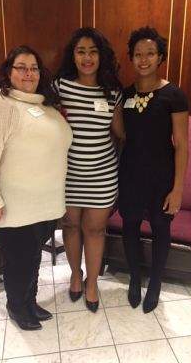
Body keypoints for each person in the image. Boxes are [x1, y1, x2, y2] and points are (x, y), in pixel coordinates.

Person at [0, 45, 72, 330]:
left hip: (46, 205)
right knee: (20, 262)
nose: (28, 73)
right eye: (21, 67)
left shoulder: (44, 106)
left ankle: (30, 301)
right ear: (8, 72)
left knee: (32, 258)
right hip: (14, 207)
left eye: (34, 68)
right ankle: (17, 306)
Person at [119, 27, 189, 313]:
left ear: (160, 57)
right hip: (131, 173)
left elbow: (182, 145)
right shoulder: (125, 94)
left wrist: (178, 189)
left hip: (162, 175)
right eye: (138, 54)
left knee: (161, 228)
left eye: (150, 53)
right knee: (130, 225)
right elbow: (120, 132)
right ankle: (135, 279)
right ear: (131, 58)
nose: (143, 59)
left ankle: (156, 283)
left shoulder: (174, 95)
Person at [54, 27, 124, 312]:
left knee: (95, 230)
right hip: (66, 175)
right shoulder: (60, 87)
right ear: (73, 56)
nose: (87, 57)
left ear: (101, 56)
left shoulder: (113, 93)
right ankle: (75, 275)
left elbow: (120, 132)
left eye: (92, 51)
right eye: (81, 51)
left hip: (102, 174)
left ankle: (92, 282)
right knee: (70, 226)